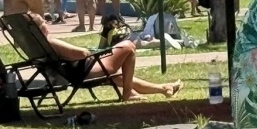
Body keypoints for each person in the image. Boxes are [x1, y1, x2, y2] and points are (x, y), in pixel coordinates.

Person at [29, 14, 182, 102]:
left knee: (119, 77)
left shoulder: (36, 46)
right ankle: (128, 94)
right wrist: (88, 50)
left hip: (74, 74)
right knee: (129, 46)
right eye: (43, 22)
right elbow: (82, 54)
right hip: (86, 73)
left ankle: (163, 89)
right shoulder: (51, 42)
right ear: (39, 28)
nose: (46, 24)